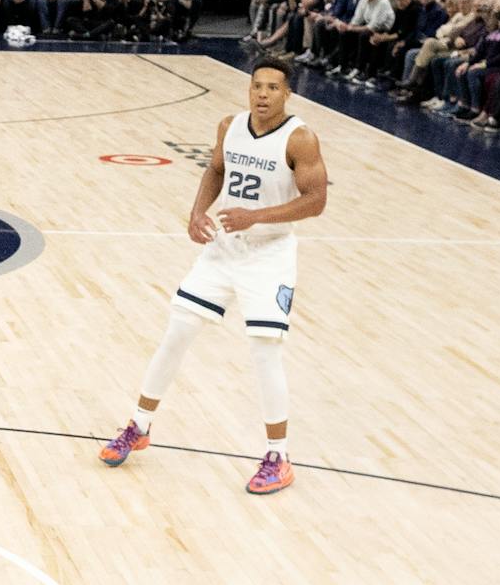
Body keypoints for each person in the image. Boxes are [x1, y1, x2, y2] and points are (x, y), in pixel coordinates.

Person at [98, 57, 330, 495]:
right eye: (256, 86)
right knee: (177, 333)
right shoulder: (230, 125)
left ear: (288, 94)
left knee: (265, 352)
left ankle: (278, 457)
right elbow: (216, 170)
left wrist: (255, 216)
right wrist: (196, 212)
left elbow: (316, 201)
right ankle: (139, 425)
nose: (262, 94)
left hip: (270, 254)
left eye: (272, 88)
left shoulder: (301, 139)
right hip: (225, 248)